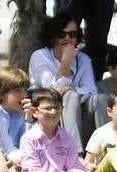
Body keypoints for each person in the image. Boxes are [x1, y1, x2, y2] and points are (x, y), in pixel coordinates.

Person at [18, 88, 101, 172]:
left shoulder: (67, 137)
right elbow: (33, 170)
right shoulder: (28, 138)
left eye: (57, 108)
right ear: (34, 111)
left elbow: (74, 165)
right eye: (47, 108)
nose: (53, 112)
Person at [28, 12, 96, 151]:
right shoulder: (40, 56)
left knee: (99, 99)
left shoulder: (83, 59)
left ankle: (104, 151)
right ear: (53, 36)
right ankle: (75, 153)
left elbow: (91, 89)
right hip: (47, 110)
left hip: (79, 111)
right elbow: (52, 91)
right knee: (71, 97)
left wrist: (71, 89)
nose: (68, 38)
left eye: (72, 34)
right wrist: (66, 61)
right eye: (62, 34)